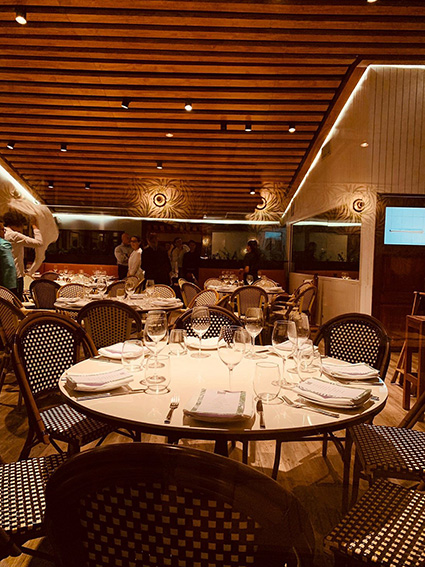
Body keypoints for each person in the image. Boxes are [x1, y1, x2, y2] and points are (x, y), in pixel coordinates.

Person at [3, 211, 43, 300]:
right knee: (16, 303)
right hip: (15, 275)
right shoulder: (14, 235)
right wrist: (35, 227)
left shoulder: (3, 233)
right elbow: (39, 243)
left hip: (4, 274)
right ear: (17, 224)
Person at [0, 217, 18, 296]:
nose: (4, 232)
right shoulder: (3, 244)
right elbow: (9, 265)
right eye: (2, 229)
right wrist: (11, 289)